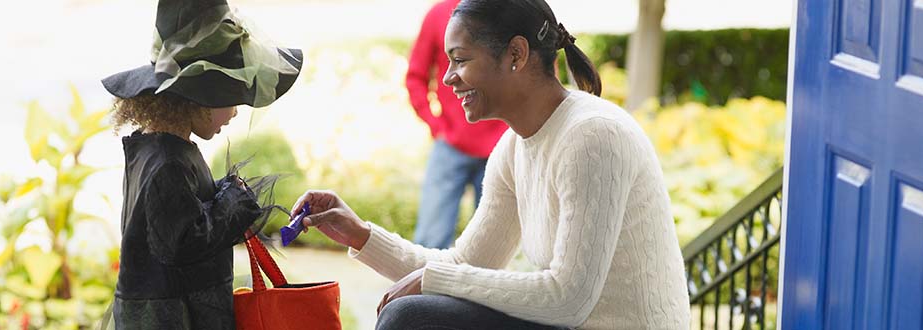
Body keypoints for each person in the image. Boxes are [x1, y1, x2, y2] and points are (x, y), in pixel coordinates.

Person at [291, 0, 690, 328]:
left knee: (410, 318)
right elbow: (464, 264)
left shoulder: (594, 136)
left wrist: (432, 281)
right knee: (412, 315)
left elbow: (568, 299)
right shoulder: (515, 146)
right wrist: (360, 234)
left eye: (460, 60)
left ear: (516, 54)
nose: (447, 79)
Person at [98, 0, 303, 328]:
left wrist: (223, 192)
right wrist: (233, 202)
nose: (235, 113)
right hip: (174, 317)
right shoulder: (168, 163)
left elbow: (180, 216)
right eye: (231, 98)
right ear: (200, 94)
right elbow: (184, 242)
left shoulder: (161, 150)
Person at [406, 0, 509, 249]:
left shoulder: (509, 11)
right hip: (451, 144)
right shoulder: (439, 14)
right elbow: (415, 77)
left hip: (502, 145)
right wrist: (436, 125)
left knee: (494, 247)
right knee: (430, 241)